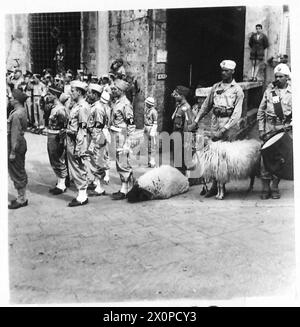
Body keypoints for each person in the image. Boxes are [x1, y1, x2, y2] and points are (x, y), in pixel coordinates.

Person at [190, 60, 244, 197]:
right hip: (215, 122)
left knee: (225, 158)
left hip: (229, 125)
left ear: (232, 72)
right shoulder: (215, 87)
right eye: (222, 70)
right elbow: (206, 106)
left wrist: (225, 128)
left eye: (226, 71)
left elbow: (237, 113)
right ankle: (215, 186)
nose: (223, 73)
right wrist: (196, 121)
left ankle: (222, 186)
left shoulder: (237, 90)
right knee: (213, 157)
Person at [257, 63, 292, 200]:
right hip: (270, 129)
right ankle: (265, 187)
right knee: (265, 159)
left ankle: (275, 186)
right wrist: (261, 129)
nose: (277, 78)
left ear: (287, 77)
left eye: (281, 76)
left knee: (281, 159)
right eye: (276, 76)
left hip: (285, 130)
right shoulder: (270, 91)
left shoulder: (293, 92)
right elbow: (260, 112)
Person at [66, 80, 90, 207]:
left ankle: (82, 196)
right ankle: (82, 193)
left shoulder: (83, 107)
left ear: (80, 92)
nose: (71, 92)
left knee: (78, 166)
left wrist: (79, 147)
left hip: (77, 141)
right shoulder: (76, 105)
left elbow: (83, 129)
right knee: (75, 166)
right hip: (72, 139)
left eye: (73, 90)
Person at [110, 79, 135, 200]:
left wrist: (128, 142)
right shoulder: (117, 102)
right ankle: (126, 187)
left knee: (123, 161)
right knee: (119, 161)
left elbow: (131, 124)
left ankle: (125, 189)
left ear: (121, 90)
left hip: (122, 135)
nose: (112, 90)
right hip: (116, 133)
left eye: (115, 89)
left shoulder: (125, 104)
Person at [86, 84, 111, 196]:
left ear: (95, 95)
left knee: (98, 160)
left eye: (91, 93)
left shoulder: (98, 108)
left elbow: (98, 126)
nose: (89, 94)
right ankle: (96, 182)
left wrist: (93, 143)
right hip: (94, 135)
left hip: (97, 137)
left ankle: (99, 187)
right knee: (94, 160)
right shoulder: (95, 106)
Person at [7, 89, 29, 209]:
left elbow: (14, 134)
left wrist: (12, 151)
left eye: (11, 98)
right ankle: (22, 196)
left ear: (16, 100)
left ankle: (22, 199)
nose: (10, 99)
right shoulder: (21, 111)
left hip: (15, 143)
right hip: (21, 141)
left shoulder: (16, 114)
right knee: (19, 169)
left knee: (16, 170)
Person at [46, 86, 69, 195]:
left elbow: (64, 126)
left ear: (55, 95)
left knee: (58, 159)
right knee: (53, 158)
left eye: (49, 94)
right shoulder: (54, 107)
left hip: (56, 136)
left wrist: (61, 141)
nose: (47, 96)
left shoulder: (60, 109)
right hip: (51, 134)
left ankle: (62, 184)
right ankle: (61, 181)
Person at [171, 85, 193, 175]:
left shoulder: (186, 107)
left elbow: (188, 124)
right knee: (176, 159)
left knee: (180, 160)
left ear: (182, 96)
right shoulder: (179, 106)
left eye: (176, 95)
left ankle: (182, 179)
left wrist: (185, 140)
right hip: (176, 134)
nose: (174, 96)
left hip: (181, 135)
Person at [143, 96, 158, 168]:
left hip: (151, 128)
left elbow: (155, 122)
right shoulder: (147, 110)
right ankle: (149, 161)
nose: (146, 104)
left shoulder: (154, 111)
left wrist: (153, 131)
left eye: (147, 103)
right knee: (147, 146)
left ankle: (152, 161)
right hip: (146, 127)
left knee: (152, 146)